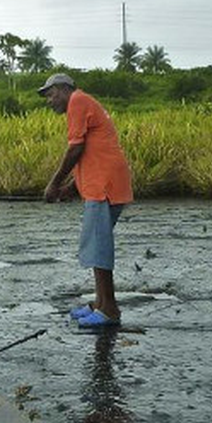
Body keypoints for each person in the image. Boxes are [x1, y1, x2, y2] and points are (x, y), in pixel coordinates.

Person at [39, 72, 133, 327]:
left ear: (63, 88)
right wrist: (71, 188)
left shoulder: (77, 101)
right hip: (102, 184)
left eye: (51, 94)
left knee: (98, 247)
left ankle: (109, 310)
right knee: (95, 244)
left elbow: (76, 148)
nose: (49, 100)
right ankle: (100, 303)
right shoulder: (83, 102)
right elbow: (91, 152)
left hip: (104, 186)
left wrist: (54, 184)